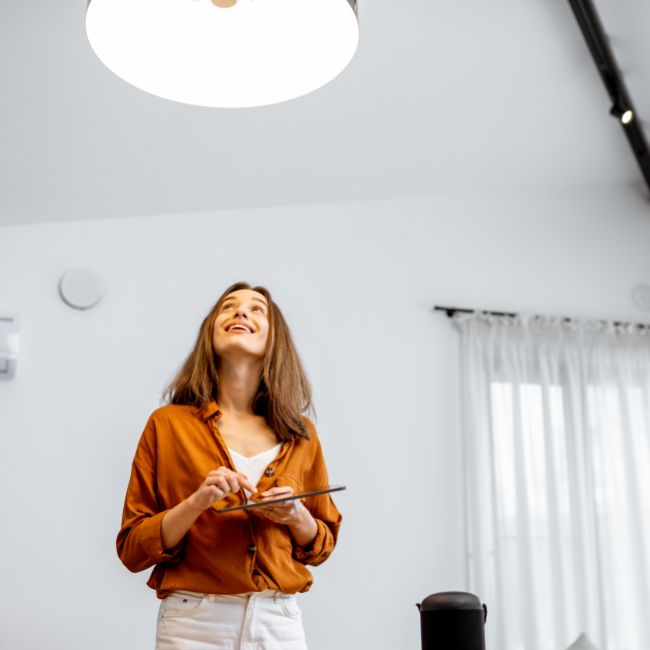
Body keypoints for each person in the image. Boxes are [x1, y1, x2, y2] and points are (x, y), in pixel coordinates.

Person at [116, 282, 342, 650]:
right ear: (210, 332)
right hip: (193, 624)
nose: (240, 313)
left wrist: (295, 515)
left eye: (257, 309)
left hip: (278, 621)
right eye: (228, 307)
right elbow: (132, 549)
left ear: (275, 338)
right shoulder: (167, 424)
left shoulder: (302, 434)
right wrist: (196, 503)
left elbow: (321, 545)